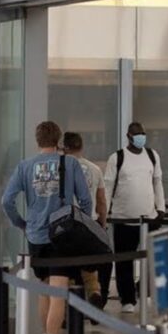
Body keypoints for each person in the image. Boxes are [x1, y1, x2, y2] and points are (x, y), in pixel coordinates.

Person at [1, 121, 92, 334]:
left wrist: (22, 223)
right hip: (62, 236)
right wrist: (84, 226)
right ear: (58, 140)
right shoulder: (70, 164)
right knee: (59, 290)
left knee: (44, 289)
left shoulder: (25, 166)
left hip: (36, 236)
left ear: (37, 140)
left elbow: (7, 200)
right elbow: (85, 199)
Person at [104, 122, 165, 314]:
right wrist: (104, 214)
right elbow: (107, 187)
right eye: (137, 135)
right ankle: (127, 299)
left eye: (143, 134)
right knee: (124, 261)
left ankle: (145, 290)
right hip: (123, 218)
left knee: (153, 259)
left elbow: (157, 182)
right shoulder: (117, 158)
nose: (141, 138)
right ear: (129, 136)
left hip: (149, 217)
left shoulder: (152, 156)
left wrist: (161, 208)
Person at [62, 132, 108, 308]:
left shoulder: (61, 168)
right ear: (81, 147)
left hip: (67, 223)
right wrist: (102, 223)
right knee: (89, 268)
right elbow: (102, 201)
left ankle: (69, 307)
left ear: (65, 148)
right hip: (89, 223)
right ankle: (94, 293)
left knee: (67, 267)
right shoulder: (95, 169)